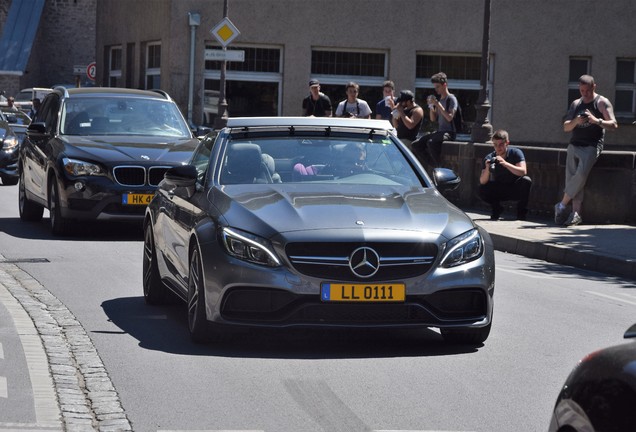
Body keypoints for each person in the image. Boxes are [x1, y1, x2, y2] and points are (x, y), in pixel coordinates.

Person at [554, 74, 618, 226]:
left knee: (581, 175)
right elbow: (566, 127)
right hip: (574, 144)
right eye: (582, 91)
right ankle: (576, 214)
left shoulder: (601, 102)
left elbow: (614, 124)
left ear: (594, 87)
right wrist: (576, 120)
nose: (585, 94)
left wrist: (597, 121)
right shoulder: (576, 104)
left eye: (587, 91)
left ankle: (561, 205)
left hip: (591, 145)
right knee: (573, 179)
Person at [478, 129, 532, 220]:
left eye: (501, 144)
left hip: (515, 187)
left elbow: (523, 171)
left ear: (507, 143)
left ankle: (521, 213)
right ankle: (496, 209)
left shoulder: (515, 153)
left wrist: (505, 164)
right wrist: (487, 168)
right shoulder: (490, 157)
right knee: (482, 188)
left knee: (526, 180)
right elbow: (482, 181)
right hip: (500, 188)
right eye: (495, 145)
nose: (498, 148)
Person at [411, 72, 458, 168]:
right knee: (416, 144)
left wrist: (438, 105)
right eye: (435, 87)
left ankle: (439, 166)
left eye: (438, 87)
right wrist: (431, 107)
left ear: (444, 85)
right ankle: (433, 165)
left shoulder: (451, 99)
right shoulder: (440, 100)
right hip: (440, 131)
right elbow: (433, 119)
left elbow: (449, 118)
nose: (436, 90)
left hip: (449, 132)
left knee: (432, 143)